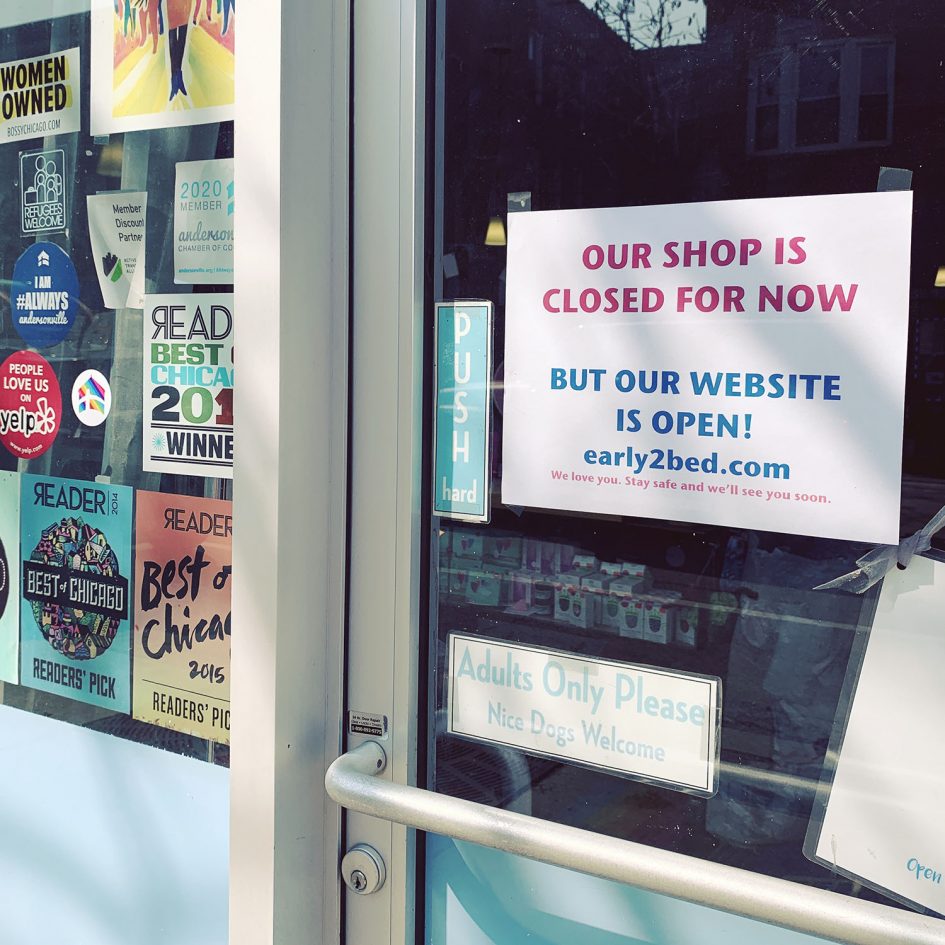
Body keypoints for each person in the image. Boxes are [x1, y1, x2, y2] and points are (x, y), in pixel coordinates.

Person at [167, 0, 191, 99]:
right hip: (172, 5)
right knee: (173, 43)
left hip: (185, 4)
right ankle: (175, 80)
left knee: (182, 41)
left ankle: (178, 79)